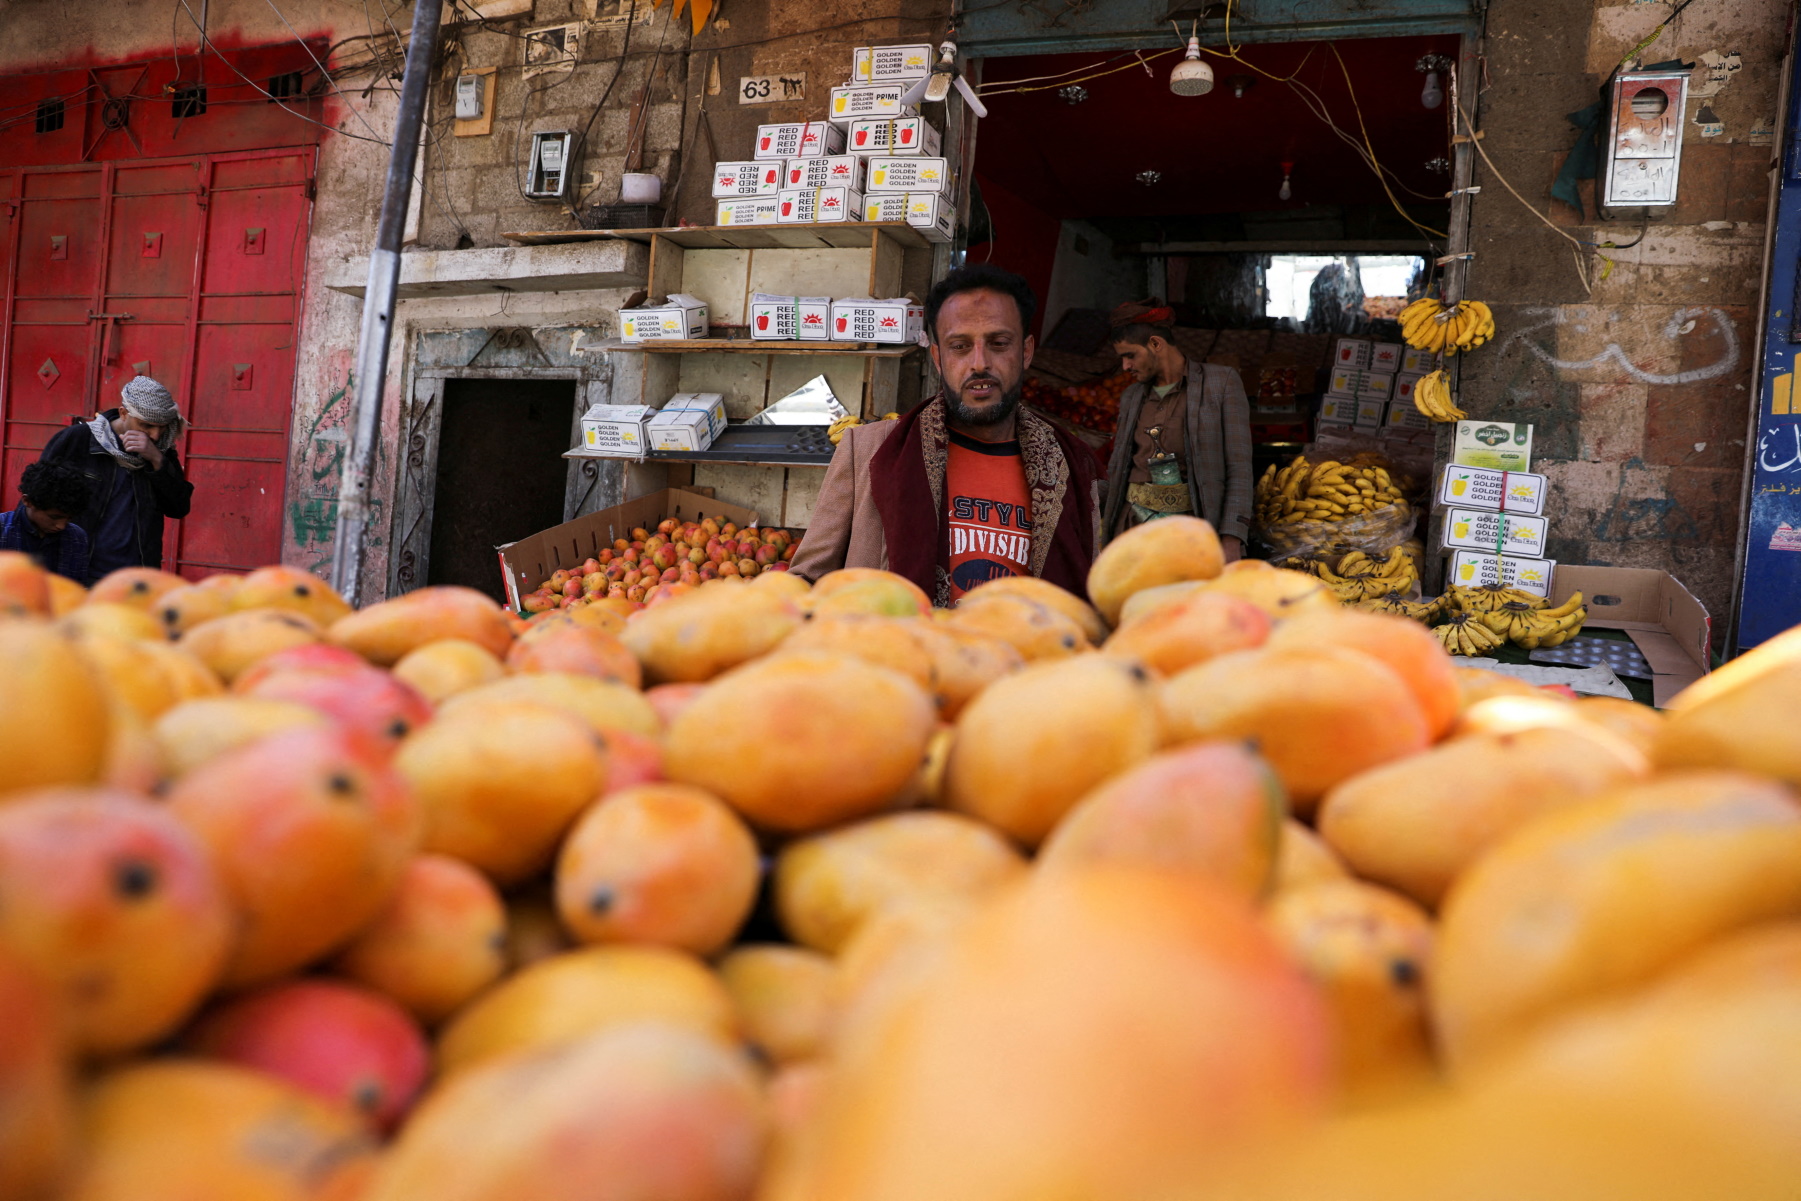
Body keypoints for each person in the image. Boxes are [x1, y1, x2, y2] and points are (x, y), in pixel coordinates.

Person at [790, 262, 1102, 604]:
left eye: (998, 343)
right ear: (938, 357)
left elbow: (1091, 595)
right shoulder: (868, 450)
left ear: (1025, 351)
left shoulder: (1069, 466)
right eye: (960, 346)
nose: (979, 363)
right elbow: (803, 584)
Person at [1102, 299, 1254, 561]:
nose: (1125, 366)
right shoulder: (1131, 396)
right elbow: (1120, 468)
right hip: (1132, 531)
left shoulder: (1221, 383)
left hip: (1191, 535)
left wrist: (1232, 536)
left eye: (1130, 355)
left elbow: (1239, 468)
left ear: (1156, 344)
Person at [38, 376, 194, 580]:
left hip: (137, 579)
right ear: (123, 413)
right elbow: (37, 501)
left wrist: (156, 460)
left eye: (161, 427)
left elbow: (179, 507)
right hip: (78, 571)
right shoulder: (78, 440)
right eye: (146, 425)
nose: (155, 435)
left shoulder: (161, 452)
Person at [0, 460, 92, 584]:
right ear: (28, 501)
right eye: (54, 517)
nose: (61, 526)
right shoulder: (2, 528)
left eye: (69, 518)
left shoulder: (77, 537)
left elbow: (77, 588)